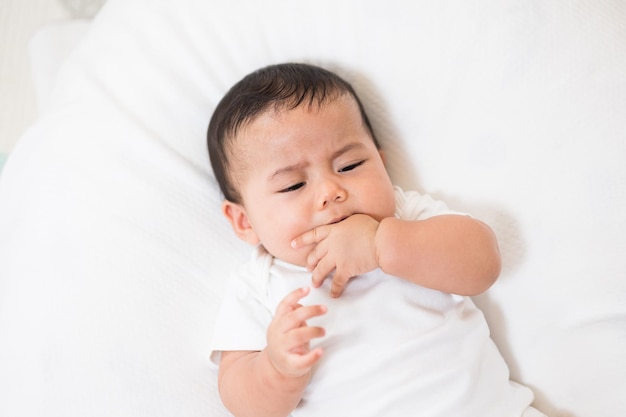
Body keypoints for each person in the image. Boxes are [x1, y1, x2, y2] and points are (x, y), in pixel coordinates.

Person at [208, 63, 545, 417]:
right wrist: (276, 369)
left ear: (381, 165)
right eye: (294, 185)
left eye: (350, 165)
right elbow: (240, 400)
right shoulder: (259, 284)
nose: (330, 191)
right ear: (244, 221)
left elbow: (482, 262)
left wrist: (380, 244)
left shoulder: (405, 216)